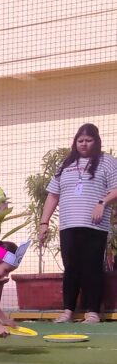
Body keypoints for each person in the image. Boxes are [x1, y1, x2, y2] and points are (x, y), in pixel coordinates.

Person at [38, 123, 117, 323]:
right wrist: (44, 223)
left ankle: (92, 311)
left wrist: (102, 203)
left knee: (92, 266)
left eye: (88, 140)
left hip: (94, 225)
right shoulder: (66, 164)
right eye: (80, 140)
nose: (84, 144)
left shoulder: (107, 161)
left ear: (96, 141)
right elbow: (53, 195)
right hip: (68, 224)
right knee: (71, 267)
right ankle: (68, 311)